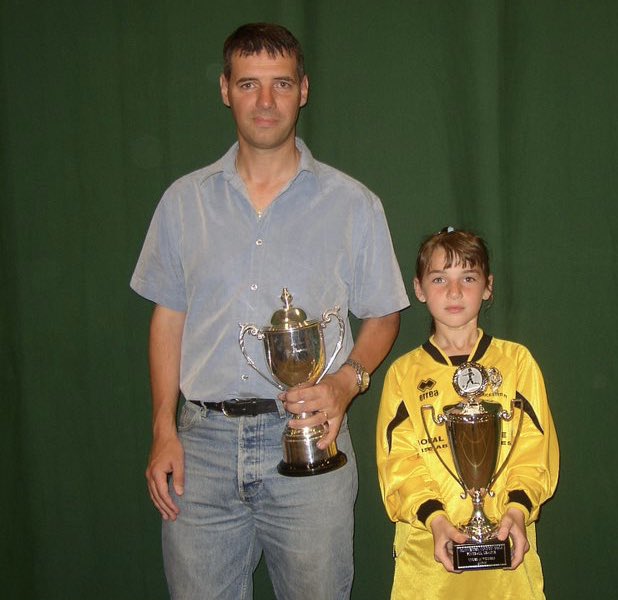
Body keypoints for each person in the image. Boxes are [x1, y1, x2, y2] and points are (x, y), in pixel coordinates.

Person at [130, 22, 409, 600]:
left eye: (280, 84)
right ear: (225, 89)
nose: (265, 101)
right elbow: (168, 319)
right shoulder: (184, 203)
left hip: (314, 440)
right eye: (249, 84)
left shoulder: (353, 204)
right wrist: (163, 429)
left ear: (303, 90)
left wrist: (345, 383)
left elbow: (383, 315)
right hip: (200, 451)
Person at [376, 228, 559, 599]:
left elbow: (533, 450)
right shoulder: (403, 374)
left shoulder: (517, 363)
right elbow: (398, 464)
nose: (454, 292)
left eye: (468, 278)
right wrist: (436, 520)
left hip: (508, 551)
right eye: (440, 278)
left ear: (488, 287)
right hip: (429, 557)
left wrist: (517, 512)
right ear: (419, 288)